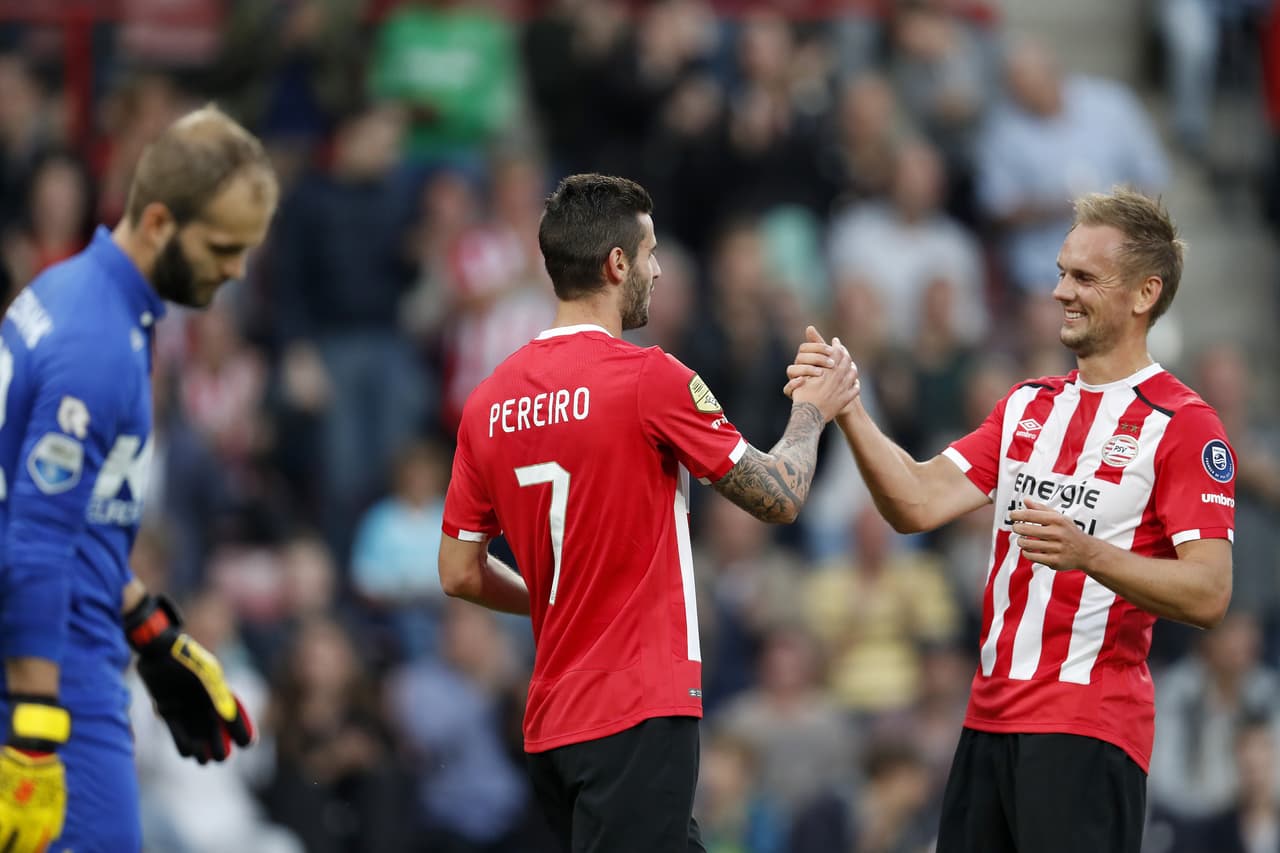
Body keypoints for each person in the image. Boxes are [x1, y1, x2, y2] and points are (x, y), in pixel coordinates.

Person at [787, 187, 1234, 853]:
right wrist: (849, 406)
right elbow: (916, 501)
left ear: (1145, 293)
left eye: (1084, 277)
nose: (1060, 291)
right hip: (987, 723)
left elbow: (1210, 592)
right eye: (1061, 272)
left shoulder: (1183, 424)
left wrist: (1090, 554)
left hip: (1088, 730)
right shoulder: (1027, 405)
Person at [437, 173, 858, 853]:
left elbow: (459, 571)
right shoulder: (648, 378)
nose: (658, 271)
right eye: (651, 252)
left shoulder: (487, 403)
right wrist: (812, 410)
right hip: (634, 708)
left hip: (551, 724)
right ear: (617, 263)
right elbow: (779, 495)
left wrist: (558, 598)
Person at [0, 106, 277, 851]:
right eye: (222, 247)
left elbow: (65, 517)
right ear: (159, 222)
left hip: (61, 641)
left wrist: (152, 630)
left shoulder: (75, 293)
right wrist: (34, 734)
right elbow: (34, 544)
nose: (235, 270)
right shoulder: (97, 343)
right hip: (53, 669)